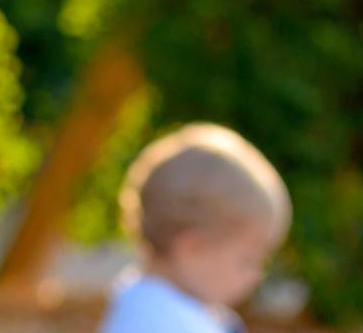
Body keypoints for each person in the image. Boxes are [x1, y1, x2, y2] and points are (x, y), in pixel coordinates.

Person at [101, 123, 292, 333]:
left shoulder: (146, 303)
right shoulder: (166, 322)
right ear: (194, 249)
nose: (256, 276)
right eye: (247, 260)